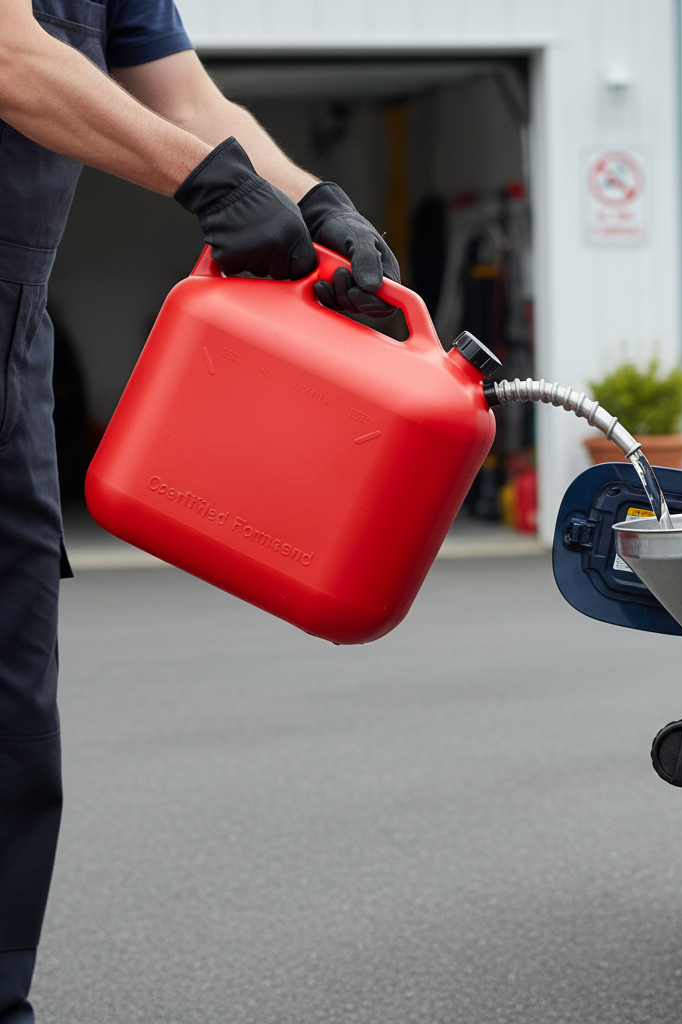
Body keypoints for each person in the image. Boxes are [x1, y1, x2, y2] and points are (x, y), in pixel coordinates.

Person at [0, 1, 400, 1018]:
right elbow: (10, 53)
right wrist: (205, 180)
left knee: (11, 724)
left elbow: (187, 94)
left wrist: (313, 201)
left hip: (12, 346)